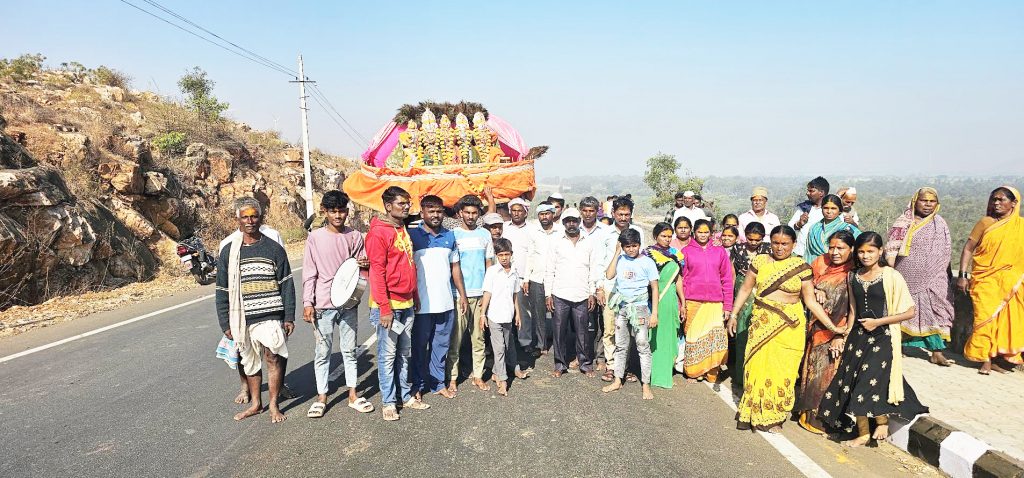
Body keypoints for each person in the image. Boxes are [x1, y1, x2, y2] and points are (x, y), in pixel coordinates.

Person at [817, 232, 928, 446]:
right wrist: (844, 334)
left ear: (880, 251)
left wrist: (879, 322)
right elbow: (852, 310)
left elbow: (909, 311)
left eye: (870, 251)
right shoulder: (853, 276)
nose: (866, 256)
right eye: (861, 251)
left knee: (871, 380)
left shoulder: (891, 275)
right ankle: (863, 433)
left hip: (883, 337)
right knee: (854, 381)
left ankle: (882, 421)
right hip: (858, 337)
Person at [728, 226, 841, 433]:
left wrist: (832, 326)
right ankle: (752, 412)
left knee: (783, 371)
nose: (779, 248)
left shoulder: (801, 267)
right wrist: (733, 315)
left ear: (794, 245)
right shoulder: (760, 262)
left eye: (785, 244)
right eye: (776, 243)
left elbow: (810, 302)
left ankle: (774, 416)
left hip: (789, 327)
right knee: (757, 368)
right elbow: (745, 289)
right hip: (762, 323)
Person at [215, 197, 295, 423]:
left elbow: (287, 283)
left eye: (254, 216)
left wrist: (288, 316)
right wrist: (225, 323)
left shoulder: (274, 248)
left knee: (273, 358)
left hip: (270, 315)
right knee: (249, 361)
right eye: (245, 216)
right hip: (242, 318)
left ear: (261, 218)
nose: (250, 220)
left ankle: (273, 405)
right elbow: (222, 289)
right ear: (237, 219)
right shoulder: (229, 251)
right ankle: (256, 404)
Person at [301, 191, 373, 418]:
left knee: (349, 351)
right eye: (333, 211)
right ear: (325, 211)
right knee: (322, 352)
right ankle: (322, 397)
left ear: (348, 211)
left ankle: (353, 394)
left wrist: (365, 264)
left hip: (349, 303)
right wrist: (307, 302)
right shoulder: (315, 237)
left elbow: (362, 269)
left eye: (342, 210)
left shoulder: (355, 236)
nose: (338, 215)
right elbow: (309, 273)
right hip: (323, 305)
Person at [366, 186, 428, 421]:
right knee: (386, 355)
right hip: (389, 307)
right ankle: (389, 401)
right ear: (388, 206)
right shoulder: (378, 233)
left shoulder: (401, 229)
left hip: (407, 303)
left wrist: (415, 295)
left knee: (403, 353)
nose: (406, 207)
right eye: (401, 203)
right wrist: (384, 308)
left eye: (407, 203)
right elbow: (377, 273)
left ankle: (404, 395)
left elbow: (408, 265)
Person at [886, 187, 955, 367]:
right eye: (924, 200)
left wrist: (945, 272)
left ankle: (937, 352)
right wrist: (891, 270)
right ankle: (898, 346)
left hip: (935, 275)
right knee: (903, 309)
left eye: (932, 201)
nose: (928, 204)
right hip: (906, 273)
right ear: (915, 201)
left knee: (937, 308)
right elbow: (892, 246)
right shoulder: (904, 221)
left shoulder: (940, 224)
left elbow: (946, 250)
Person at [959, 186, 1024, 374]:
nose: (996, 203)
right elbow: (968, 248)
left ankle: (994, 357)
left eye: (1002, 199)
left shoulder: (1020, 226)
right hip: (985, 279)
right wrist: (962, 275)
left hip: (1011, 281)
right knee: (984, 318)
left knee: (1002, 321)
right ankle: (984, 359)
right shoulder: (985, 223)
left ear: (1014, 203)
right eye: (994, 199)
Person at [410, 195, 469, 400]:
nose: (435, 215)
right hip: (421, 305)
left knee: (440, 346)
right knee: (418, 348)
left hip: (445, 303)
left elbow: (455, 268)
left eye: (439, 211)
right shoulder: (412, 236)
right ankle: (417, 386)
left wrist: (462, 295)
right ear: (422, 213)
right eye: (431, 211)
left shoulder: (450, 236)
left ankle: (437, 383)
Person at [795, 230, 855, 434]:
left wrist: (841, 333)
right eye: (832, 247)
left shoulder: (855, 270)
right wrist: (816, 289)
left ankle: (826, 417)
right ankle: (809, 416)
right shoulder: (820, 262)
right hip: (817, 328)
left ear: (851, 249)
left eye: (841, 248)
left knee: (831, 374)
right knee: (815, 372)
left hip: (842, 330)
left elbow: (854, 307)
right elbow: (806, 284)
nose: (835, 252)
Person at [601, 228, 660, 399]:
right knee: (621, 345)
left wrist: (654, 313)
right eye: (627, 246)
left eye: (634, 245)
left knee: (642, 344)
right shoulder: (620, 259)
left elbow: (655, 288)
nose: (631, 249)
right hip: (622, 307)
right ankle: (618, 380)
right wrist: (617, 252)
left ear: (640, 245)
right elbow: (609, 275)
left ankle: (646, 385)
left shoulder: (647, 262)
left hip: (640, 308)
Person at [546, 208, 602, 378]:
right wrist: (548, 294)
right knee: (559, 331)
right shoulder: (556, 242)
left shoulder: (589, 242)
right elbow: (549, 270)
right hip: (560, 294)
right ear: (563, 223)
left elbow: (594, 269)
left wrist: (592, 292)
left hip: (582, 294)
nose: (571, 224)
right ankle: (560, 364)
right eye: (568, 221)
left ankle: (585, 364)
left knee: (583, 333)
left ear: (579, 222)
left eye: (574, 220)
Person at [449, 194, 496, 392]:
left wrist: (488, 293)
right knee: (456, 340)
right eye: (467, 212)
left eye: (474, 213)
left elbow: (489, 265)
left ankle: (478, 376)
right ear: (460, 213)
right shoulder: (453, 235)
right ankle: (452, 378)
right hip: (459, 296)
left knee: (478, 338)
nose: (470, 216)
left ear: (479, 214)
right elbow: (452, 266)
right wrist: (460, 294)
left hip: (479, 295)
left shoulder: (485, 235)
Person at [597, 196, 645, 380]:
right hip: (611, 287)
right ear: (613, 214)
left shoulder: (638, 231)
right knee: (610, 329)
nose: (623, 217)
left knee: (631, 329)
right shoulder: (605, 234)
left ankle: (626, 366)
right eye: (620, 214)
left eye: (627, 214)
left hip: (633, 291)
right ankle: (611, 365)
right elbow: (599, 262)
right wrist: (599, 288)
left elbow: (643, 259)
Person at [681, 219, 734, 385]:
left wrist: (728, 306)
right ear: (694, 233)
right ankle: (695, 371)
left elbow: (726, 279)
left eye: (706, 232)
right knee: (694, 337)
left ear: (711, 233)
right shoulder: (686, 252)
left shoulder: (719, 252)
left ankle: (711, 373)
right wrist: (681, 304)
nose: (703, 235)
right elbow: (681, 279)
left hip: (715, 303)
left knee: (714, 339)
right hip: (692, 301)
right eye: (700, 232)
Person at [480, 238, 530, 396]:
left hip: (508, 315)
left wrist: (518, 314)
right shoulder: (492, 271)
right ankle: (503, 381)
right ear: (496, 255)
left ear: (511, 254)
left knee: (508, 345)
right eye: (500, 255)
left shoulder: (515, 272)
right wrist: (483, 314)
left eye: (506, 254)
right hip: (494, 315)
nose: (503, 258)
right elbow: (487, 292)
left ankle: (499, 371)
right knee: (499, 348)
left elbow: (515, 295)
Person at [727, 222, 771, 390]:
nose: (753, 243)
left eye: (757, 240)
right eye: (751, 239)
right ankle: (740, 376)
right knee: (741, 334)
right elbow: (732, 274)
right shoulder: (737, 249)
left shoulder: (769, 249)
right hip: (742, 288)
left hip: (761, 290)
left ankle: (755, 374)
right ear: (745, 235)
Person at [644, 223, 686, 389]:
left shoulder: (676, 254)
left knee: (669, 336)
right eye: (663, 236)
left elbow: (678, 280)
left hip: (670, 301)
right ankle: (652, 374)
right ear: (656, 236)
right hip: (654, 299)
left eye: (669, 236)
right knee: (654, 336)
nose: (667, 239)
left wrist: (682, 302)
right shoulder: (648, 254)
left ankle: (666, 373)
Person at [523, 202, 560, 356]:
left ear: (553, 214)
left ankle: (559, 344)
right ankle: (540, 344)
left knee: (558, 314)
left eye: (547, 213)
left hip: (557, 278)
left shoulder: (561, 231)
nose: (544, 217)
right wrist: (526, 278)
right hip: (537, 277)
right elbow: (530, 255)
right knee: (538, 314)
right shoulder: (533, 231)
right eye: (541, 214)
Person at [502, 198, 535, 359]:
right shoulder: (504, 228)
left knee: (523, 311)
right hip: (504, 275)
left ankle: (525, 341)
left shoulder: (531, 230)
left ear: (525, 212)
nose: (516, 213)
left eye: (519, 210)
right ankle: (506, 340)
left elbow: (531, 255)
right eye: (513, 210)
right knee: (505, 308)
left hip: (522, 277)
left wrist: (527, 278)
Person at [804, 194, 861, 265]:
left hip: (841, 270)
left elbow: (861, 245)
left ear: (840, 211)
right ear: (821, 209)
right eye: (826, 208)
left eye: (833, 208)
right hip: (816, 267)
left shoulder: (848, 228)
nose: (829, 211)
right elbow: (808, 253)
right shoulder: (814, 228)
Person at [789, 176, 830, 257]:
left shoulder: (830, 210)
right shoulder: (805, 208)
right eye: (808, 190)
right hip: (800, 253)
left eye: (811, 191)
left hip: (820, 256)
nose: (807, 193)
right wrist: (799, 224)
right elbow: (790, 227)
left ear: (821, 193)